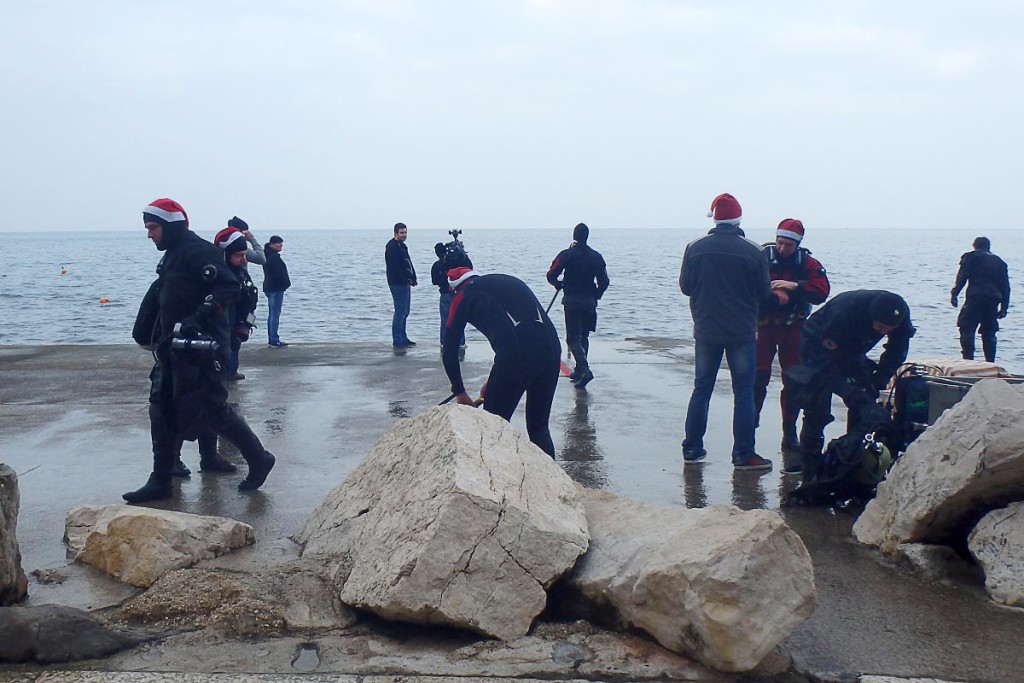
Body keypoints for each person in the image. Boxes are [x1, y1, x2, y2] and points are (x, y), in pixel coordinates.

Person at [124, 198, 276, 503]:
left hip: (200, 351)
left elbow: (228, 288)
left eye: (153, 227)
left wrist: (196, 322)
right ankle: (161, 480)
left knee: (213, 411)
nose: (149, 234)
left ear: (169, 226)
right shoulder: (173, 256)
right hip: (172, 349)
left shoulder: (199, 252)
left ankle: (259, 458)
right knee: (162, 410)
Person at [679, 193, 777, 471]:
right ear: (738, 220)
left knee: (702, 389)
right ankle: (744, 454)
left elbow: (686, 286)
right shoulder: (754, 250)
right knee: (744, 392)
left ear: (715, 219)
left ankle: (692, 448)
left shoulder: (694, 247)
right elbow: (763, 293)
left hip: (707, 329)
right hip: (742, 331)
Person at [787, 290, 914, 480]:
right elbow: (829, 364)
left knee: (866, 404)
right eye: (880, 328)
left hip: (854, 352)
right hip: (818, 349)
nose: (883, 332)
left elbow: (897, 351)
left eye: (888, 330)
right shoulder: (845, 310)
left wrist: (879, 378)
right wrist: (847, 389)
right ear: (872, 317)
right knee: (817, 409)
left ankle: (852, 456)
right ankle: (809, 468)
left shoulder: (900, 318)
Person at [442, 267, 561, 457]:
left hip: (515, 355)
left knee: (492, 425)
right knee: (539, 427)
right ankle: (554, 484)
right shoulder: (506, 280)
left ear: (454, 288)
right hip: (552, 349)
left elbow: (448, 349)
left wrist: (460, 391)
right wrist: (495, 381)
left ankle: (496, 481)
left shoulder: (462, 296)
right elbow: (520, 334)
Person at [754, 219, 830, 469]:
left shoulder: (807, 263)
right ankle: (750, 424)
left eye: (787, 244)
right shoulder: (762, 258)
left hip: (793, 327)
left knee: (794, 381)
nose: (782, 247)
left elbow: (821, 292)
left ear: (797, 244)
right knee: (758, 377)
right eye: (779, 242)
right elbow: (746, 286)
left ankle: (789, 430)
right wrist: (774, 294)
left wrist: (794, 286)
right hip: (764, 325)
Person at [546, 223, 610, 389]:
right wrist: (596, 294)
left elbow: (551, 273)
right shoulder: (596, 256)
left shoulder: (567, 255)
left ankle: (585, 370)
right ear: (587, 236)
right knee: (584, 337)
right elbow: (604, 282)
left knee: (573, 339)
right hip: (589, 302)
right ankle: (580, 369)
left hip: (572, 302)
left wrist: (557, 284)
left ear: (574, 236)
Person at [950, 236, 1010, 362]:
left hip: (975, 298)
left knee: (966, 327)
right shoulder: (1000, 262)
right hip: (992, 300)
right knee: (989, 332)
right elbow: (1005, 287)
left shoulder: (971, 257)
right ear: (989, 247)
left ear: (974, 246)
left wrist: (954, 294)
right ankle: (990, 362)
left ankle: (968, 360)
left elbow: (962, 276)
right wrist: (1004, 308)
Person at [218, 218, 265, 379]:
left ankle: (230, 370)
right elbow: (261, 258)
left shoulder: (229, 247)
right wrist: (252, 239)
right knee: (232, 336)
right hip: (234, 300)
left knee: (238, 332)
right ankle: (229, 370)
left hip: (242, 298)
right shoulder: (234, 246)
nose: (243, 259)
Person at [430, 236, 473, 348]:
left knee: (445, 319)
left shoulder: (437, 265)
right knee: (460, 318)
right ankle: (461, 342)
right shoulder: (462, 262)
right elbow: (470, 270)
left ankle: (445, 343)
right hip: (459, 292)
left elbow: (434, 281)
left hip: (444, 293)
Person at [386, 222, 417, 347]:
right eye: (401, 233)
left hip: (405, 282)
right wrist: (405, 279)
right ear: (395, 233)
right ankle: (398, 339)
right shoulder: (392, 247)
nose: (404, 235)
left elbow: (407, 263)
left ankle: (403, 337)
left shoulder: (402, 246)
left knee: (405, 311)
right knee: (400, 310)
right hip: (397, 283)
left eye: (405, 232)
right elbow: (395, 267)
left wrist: (413, 277)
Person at [262, 235, 290, 348]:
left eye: (281, 243)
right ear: (272, 244)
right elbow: (279, 274)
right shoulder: (273, 257)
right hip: (275, 288)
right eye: (279, 243)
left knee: (272, 314)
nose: (281, 245)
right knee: (274, 314)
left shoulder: (267, 255)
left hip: (270, 287)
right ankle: (274, 339)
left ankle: (272, 338)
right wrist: (286, 284)